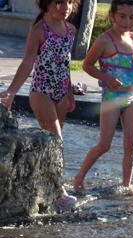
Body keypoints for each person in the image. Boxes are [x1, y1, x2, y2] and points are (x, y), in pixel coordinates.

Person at [0, 0, 79, 211]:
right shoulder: (39, 30)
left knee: (52, 146)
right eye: (60, 2)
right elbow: (27, 63)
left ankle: (46, 186)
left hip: (61, 93)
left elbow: (65, 63)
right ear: (46, 4)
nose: (66, 7)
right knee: (57, 140)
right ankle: (60, 193)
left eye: (70, 2)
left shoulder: (70, 29)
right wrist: (12, 91)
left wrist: (70, 93)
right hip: (41, 93)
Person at [73, 0, 133, 196]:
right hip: (111, 98)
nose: (127, 21)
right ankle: (79, 177)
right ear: (112, 16)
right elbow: (87, 65)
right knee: (104, 145)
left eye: (132, 17)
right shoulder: (105, 40)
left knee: (131, 144)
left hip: (132, 97)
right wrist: (106, 78)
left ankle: (127, 186)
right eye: (122, 16)